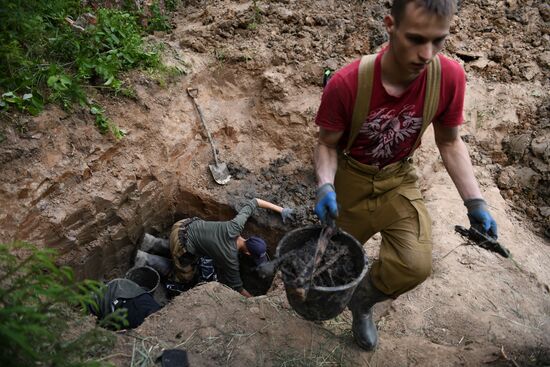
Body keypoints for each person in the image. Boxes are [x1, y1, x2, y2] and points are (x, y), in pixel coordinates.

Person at [313, 0, 498, 351]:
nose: (426, 53)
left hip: (398, 179)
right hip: (350, 178)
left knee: (414, 264)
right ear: (390, 25)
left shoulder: (450, 78)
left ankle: (362, 303)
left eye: (438, 41)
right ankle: (330, 297)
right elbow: (326, 144)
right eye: (415, 39)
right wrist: (324, 185)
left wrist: (475, 202)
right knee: (331, 262)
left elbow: (449, 141)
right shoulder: (347, 82)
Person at [135, 198, 295, 298]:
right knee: (185, 276)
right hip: (182, 244)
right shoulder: (230, 258)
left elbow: (254, 202)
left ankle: (151, 242)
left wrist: (282, 210)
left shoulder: (235, 225)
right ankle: (144, 259)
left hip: (183, 225)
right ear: (247, 253)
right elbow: (237, 286)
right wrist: (253, 300)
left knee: (182, 248)